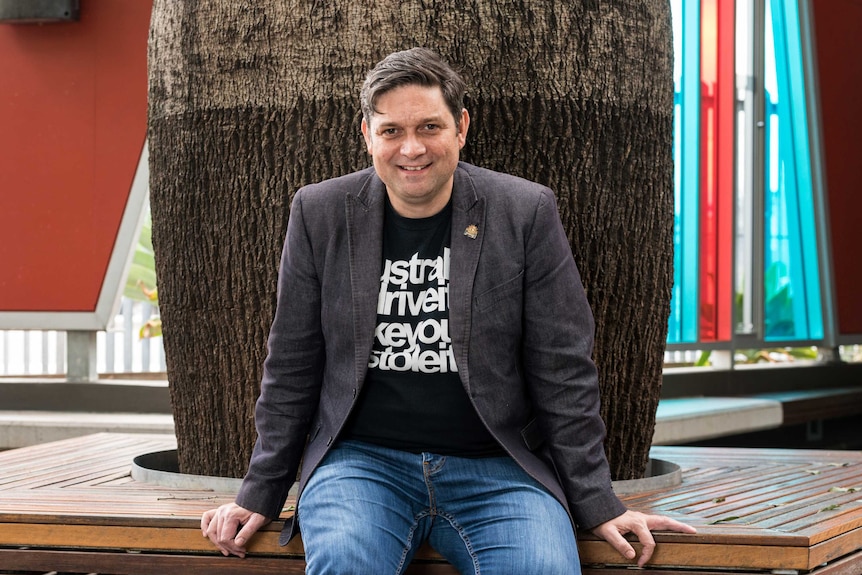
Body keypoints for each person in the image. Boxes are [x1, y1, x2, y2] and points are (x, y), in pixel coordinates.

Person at [202, 47, 695, 574]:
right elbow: (292, 364)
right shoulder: (321, 213)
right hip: (362, 468)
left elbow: (563, 369)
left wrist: (600, 503)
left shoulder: (524, 212)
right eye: (391, 130)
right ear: (367, 134)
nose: (411, 148)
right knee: (346, 562)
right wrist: (260, 491)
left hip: (499, 471)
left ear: (460, 127)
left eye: (429, 127)